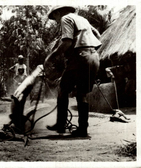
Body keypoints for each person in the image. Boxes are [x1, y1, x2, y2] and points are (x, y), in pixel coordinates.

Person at [44, 6, 102, 137]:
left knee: (62, 89)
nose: (57, 22)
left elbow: (67, 43)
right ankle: (83, 129)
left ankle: (61, 124)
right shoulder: (83, 19)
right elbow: (98, 35)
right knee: (82, 94)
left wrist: (51, 56)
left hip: (80, 58)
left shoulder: (66, 18)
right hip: (93, 57)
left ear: (58, 13)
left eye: (55, 19)